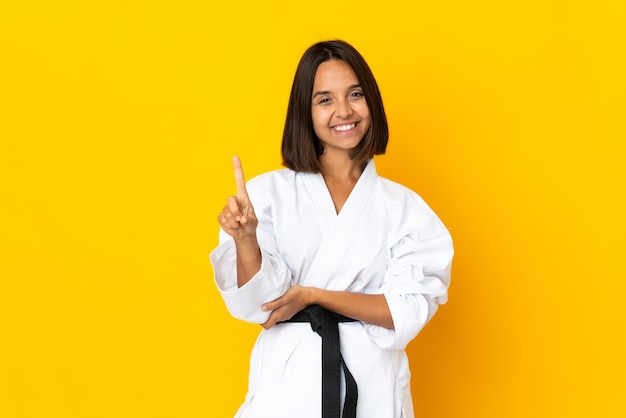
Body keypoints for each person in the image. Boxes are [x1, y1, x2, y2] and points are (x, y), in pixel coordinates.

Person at [210, 40, 453, 418]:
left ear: (370, 100)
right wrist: (245, 241)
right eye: (325, 100)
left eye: (355, 94)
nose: (344, 111)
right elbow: (261, 305)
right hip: (288, 385)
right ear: (304, 113)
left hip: (372, 387)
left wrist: (312, 296)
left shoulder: (406, 210)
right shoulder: (267, 195)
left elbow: (406, 309)